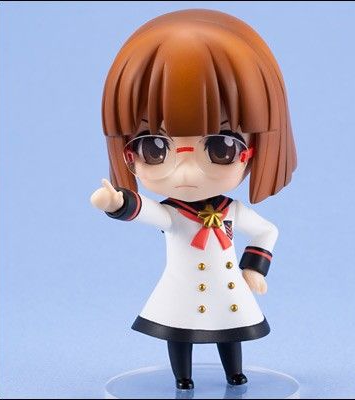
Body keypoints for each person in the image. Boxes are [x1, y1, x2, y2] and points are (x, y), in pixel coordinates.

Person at [91, 9, 297, 390]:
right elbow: (144, 211)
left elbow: (266, 231)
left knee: (231, 329)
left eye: (220, 147)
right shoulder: (174, 215)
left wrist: (253, 268)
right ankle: (182, 377)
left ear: (254, 149)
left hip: (226, 289)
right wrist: (117, 202)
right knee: (178, 331)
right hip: (182, 291)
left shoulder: (232, 210)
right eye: (155, 148)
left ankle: (234, 372)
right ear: (128, 153)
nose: (186, 173)